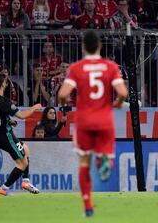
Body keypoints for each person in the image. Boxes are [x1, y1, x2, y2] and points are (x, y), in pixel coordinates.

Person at [58, 31, 127, 217]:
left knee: (83, 163)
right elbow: (122, 92)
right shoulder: (110, 66)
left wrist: (65, 106)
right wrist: (117, 104)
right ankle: (104, 160)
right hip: (104, 119)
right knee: (105, 154)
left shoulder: (76, 68)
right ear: (100, 47)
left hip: (84, 120)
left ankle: (88, 206)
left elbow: (63, 94)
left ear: (82, 47)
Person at [0, 73, 42, 196]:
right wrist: (35, 107)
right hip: (7, 137)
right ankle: (4, 188)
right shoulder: (4, 102)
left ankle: (26, 181)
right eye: (5, 81)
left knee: (25, 149)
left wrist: (9, 121)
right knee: (23, 163)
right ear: (3, 84)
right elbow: (22, 115)